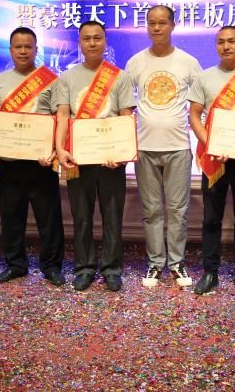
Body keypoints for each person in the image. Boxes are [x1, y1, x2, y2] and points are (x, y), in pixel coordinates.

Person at [54, 21, 135, 292]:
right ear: (79, 42)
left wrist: (122, 152)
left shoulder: (120, 77)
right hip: (78, 158)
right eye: (86, 38)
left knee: (112, 216)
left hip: (111, 159)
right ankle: (84, 267)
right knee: (81, 216)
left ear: (105, 42)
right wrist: (60, 148)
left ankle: (112, 269)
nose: (92, 43)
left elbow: (125, 117)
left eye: (97, 38)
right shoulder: (67, 77)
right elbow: (63, 115)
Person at [0, 27, 65, 286]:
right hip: (9, 161)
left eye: (28, 46)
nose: (23, 51)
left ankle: (51, 266)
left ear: (36, 50)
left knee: (49, 218)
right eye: (18, 47)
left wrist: (54, 149)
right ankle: (15, 264)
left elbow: (59, 118)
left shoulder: (51, 80)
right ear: (10, 50)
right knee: (11, 217)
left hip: (41, 162)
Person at [125, 5, 201, 288]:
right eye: (152, 23)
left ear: (172, 26)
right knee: (152, 210)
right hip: (144, 147)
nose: (156, 28)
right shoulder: (135, 63)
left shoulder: (188, 62)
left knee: (178, 210)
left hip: (178, 146)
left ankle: (177, 262)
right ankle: (156, 263)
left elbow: (202, 102)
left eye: (162, 23)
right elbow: (124, 105)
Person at [188, 26, 235, 296]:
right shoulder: (204, 78)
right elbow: (194, 115)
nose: (226, 46)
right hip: (215, 158)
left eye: (232, 41)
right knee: (211, 218)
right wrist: (210, 143)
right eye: (221, 42)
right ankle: (210, 272)